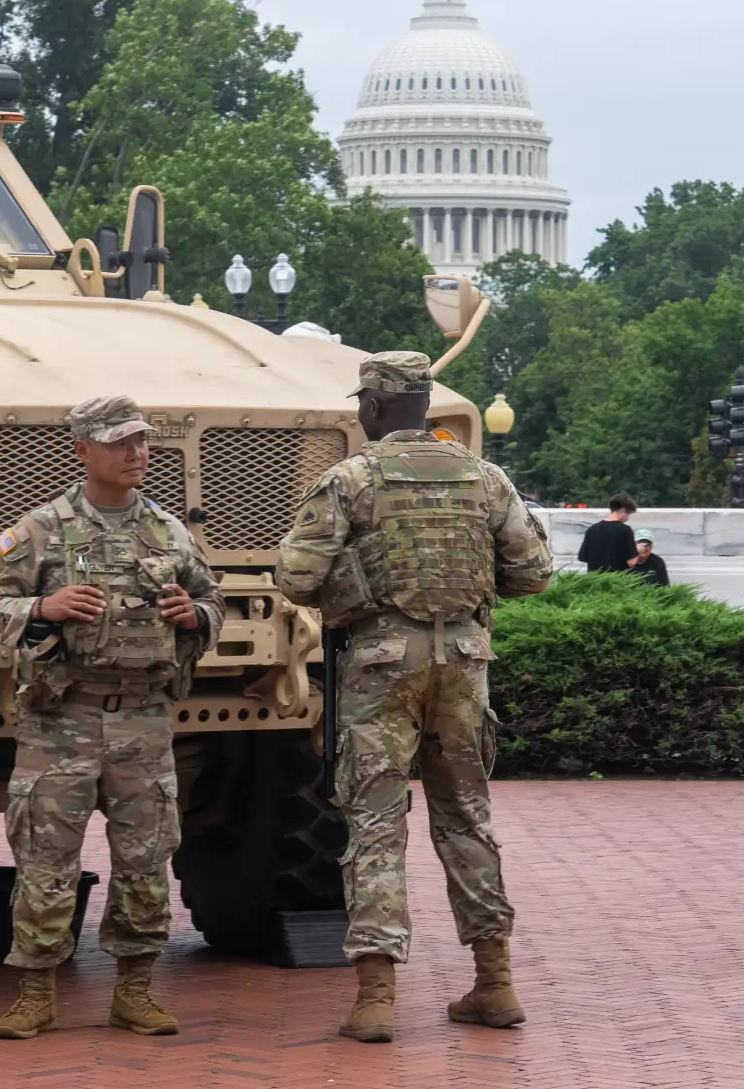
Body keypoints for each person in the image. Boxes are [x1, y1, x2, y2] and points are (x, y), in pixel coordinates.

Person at [275, 352, 554, 1044]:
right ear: (423, 404)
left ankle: (375, 999)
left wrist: (353, 584)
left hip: (380, 663)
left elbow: (295, 575)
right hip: (464, 661)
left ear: (371, 407)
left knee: (375, 823)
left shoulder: (352, 480)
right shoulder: (485, 478)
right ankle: (496, 983)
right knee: (466, 819)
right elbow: (533, 572)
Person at [0, 395, 226, 1040]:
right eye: (120, 443)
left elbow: (212, 601)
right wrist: (43, 609)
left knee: (145, 860)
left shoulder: (170, 532)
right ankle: (35, 992)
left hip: (143, 722)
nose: (136, 453)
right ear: (83, 450)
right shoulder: (39, 530)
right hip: (63, 720)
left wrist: (194, 616)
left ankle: (135, 990)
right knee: (45, 860)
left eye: (140, 441)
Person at [577, 494, 638, 573]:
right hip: (618, 581)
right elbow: (631, 562)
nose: (628, 518)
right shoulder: (625, 530)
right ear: (623, 509)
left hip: (594, 580)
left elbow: (582, 557)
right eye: (628, 514)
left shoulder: (592, 529)